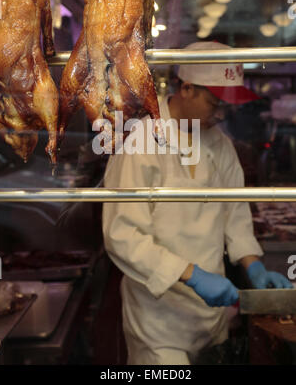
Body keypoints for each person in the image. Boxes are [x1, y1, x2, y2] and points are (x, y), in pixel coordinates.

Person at [102, 41, 293, 365]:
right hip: (159, 325)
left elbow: (234, 214)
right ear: (186, 88)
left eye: (227, 107)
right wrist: (191, 274)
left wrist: (253, 266)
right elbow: (122, 235)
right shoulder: (142, 141)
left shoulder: (221, 146)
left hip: (212, 320)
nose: (221, 114)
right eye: (214, 102)